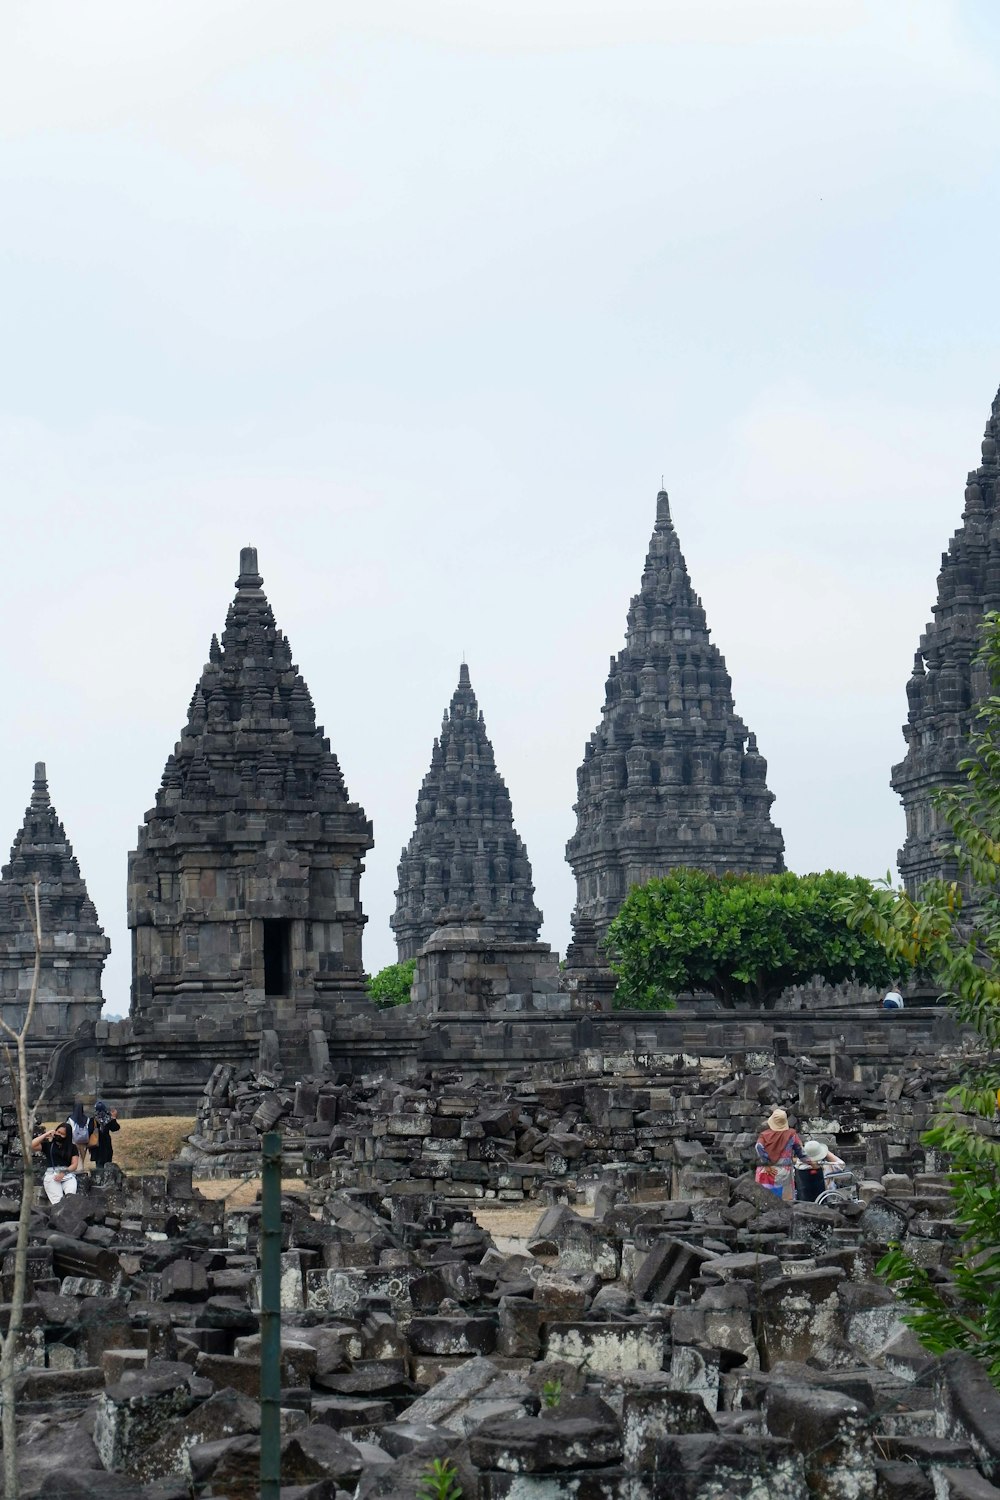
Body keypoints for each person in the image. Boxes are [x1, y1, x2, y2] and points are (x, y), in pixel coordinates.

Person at [755, 1108, 806, 1201]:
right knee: (785, 1202)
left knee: (764, 1201)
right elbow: (801, 1152)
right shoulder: (791, 1134)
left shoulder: (764, 1135)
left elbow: (758, 1147)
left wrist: (766, 1164)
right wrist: (810, 1162)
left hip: (768, 1172)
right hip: (784, 1173)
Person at [32, 1121, 81, 1204]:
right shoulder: (48, 1145)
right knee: (57, 1201)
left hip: (67, 1174)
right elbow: (32, 1145)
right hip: (52, 1175)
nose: (59, 1135)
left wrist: (63, 1173)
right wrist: (45, 1135)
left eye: (62, 1134)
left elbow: (74, 1164)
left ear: (67, 1136)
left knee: (71, 1196)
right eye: (58, 1132)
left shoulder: (72, 1147)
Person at [91, 1100, 120, 1168]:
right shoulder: (108, 1119)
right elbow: (115, 1128)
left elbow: (89, 1130)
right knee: (108, 1162)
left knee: (99, 1164)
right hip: (106, 1143)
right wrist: (113, 1118)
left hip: (97, 1143)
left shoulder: (93, 1119)